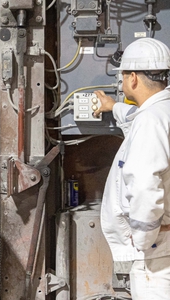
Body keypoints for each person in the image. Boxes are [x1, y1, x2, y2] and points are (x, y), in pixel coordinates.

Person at [93, 37, 170, 299]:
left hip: (156, 256)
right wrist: (112, 106)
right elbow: (135, 119)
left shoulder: (150, 120)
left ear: (133, 78)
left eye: (123, 76)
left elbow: (146, 186)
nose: (122, 82)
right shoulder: (159, 112)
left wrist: (142, 241)